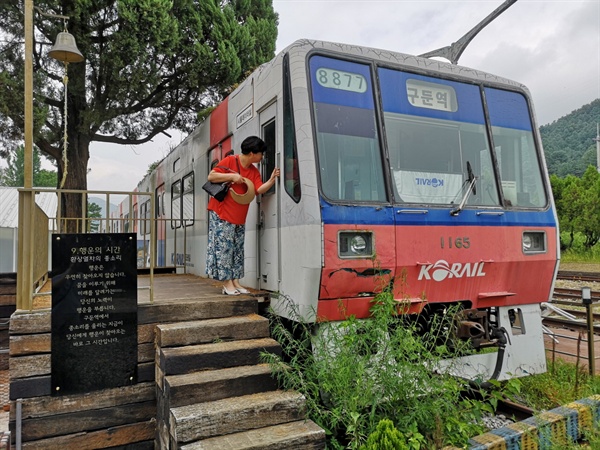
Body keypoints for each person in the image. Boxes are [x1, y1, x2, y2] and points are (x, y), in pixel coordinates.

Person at [205, 136, 280, 295]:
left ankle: (236, 281)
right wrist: (232, 176)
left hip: (239, 215)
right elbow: (211, 176)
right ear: (252, 153)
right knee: (225, 248)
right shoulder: (230, 161)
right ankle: (227, 283)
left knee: (237, 250)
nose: (262, 157)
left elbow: (258, 189)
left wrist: (272, 180)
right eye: (261, 154)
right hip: (222, 213)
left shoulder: (253, 170)